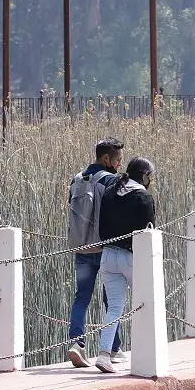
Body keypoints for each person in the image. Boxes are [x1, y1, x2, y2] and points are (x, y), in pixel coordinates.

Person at [65, 138, 125, 368]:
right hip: (105, 247)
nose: (120, 164)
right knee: (112, 299)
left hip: (81, 247)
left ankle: (76, 343)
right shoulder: (110, 180)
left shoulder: (77, 179)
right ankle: (113, 347)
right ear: (106, 159)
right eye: (118, 160)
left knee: (82, 297)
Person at [94, 156, 157, 373]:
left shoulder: (111, 192)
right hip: (131, 257)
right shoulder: (143, 196)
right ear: (144, 176)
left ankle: (104, 355)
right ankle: (147, 355)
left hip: (108, 257)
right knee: (147, 301)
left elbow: (102, 228)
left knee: (114, 308)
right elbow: (148, 230)